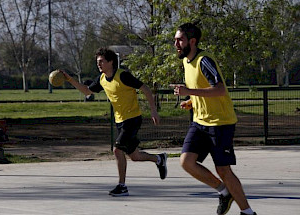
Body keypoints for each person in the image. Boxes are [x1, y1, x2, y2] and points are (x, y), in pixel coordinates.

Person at [171, 23, 256, 215]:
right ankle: (224, 192)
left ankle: (248, 212)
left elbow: (219, 89)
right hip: (200, 122)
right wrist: (191, 100)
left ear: (192, 41)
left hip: (220, 123)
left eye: (180, 40)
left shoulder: (204, 60)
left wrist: (189, 91)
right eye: (175, 39)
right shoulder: (186, 61)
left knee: (223, 170)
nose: (176, 43)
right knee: (186, 162)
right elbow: (200, 88)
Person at [62, 47, 167, 197]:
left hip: (133, 119)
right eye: (97, 62)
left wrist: (153, 110)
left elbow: (145, 88)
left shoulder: (123, 76)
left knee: (117, 150)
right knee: (135, 156)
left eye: (101, 61)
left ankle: (122, 186)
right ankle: (159, 159)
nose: (99, 64)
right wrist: (69, 79)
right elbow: (86, 91)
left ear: (111, 62)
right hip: (120, 120)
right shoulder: (102, 79)